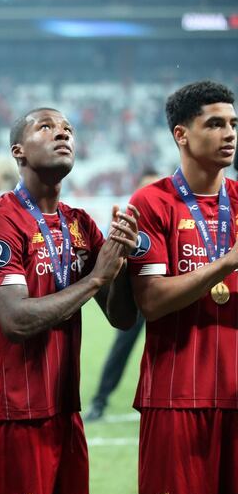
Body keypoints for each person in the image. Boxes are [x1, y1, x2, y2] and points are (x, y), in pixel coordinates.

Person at [0, 107, 139, 494]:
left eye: (68, 129)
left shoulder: (80, 223)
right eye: (46, 127)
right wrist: (97, 277)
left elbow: (123, 318)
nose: (62, 134)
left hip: (65, 413)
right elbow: (16, 321)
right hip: (12, 415)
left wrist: (122, 264)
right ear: (18, 151)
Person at [127, 80, 238, 494]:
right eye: (215, 124)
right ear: (181, 134)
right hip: (175, 396)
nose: (229, 134)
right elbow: (152, 302)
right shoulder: (152, 204)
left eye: (233, 123)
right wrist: (226, 262)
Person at [85, 168, 161, 423]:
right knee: (122, 349)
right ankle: (99, 401)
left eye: (156, 186)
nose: (152, 192)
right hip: (135, 297)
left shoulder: (168, 215)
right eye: (147, 187)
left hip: (164, 294)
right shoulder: (127, 219)